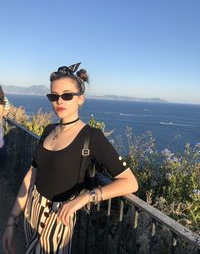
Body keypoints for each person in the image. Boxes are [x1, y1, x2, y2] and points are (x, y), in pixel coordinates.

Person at [2, 63, 138, 254]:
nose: (59, 101)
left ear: (80, 99)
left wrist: (86, 197)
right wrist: (12, 219)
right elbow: (32, 173)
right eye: (54, 96)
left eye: (67, 95)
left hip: (60, 217)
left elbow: (130, 182)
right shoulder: (49, 130)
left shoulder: (92, 137)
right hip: (32, 207)